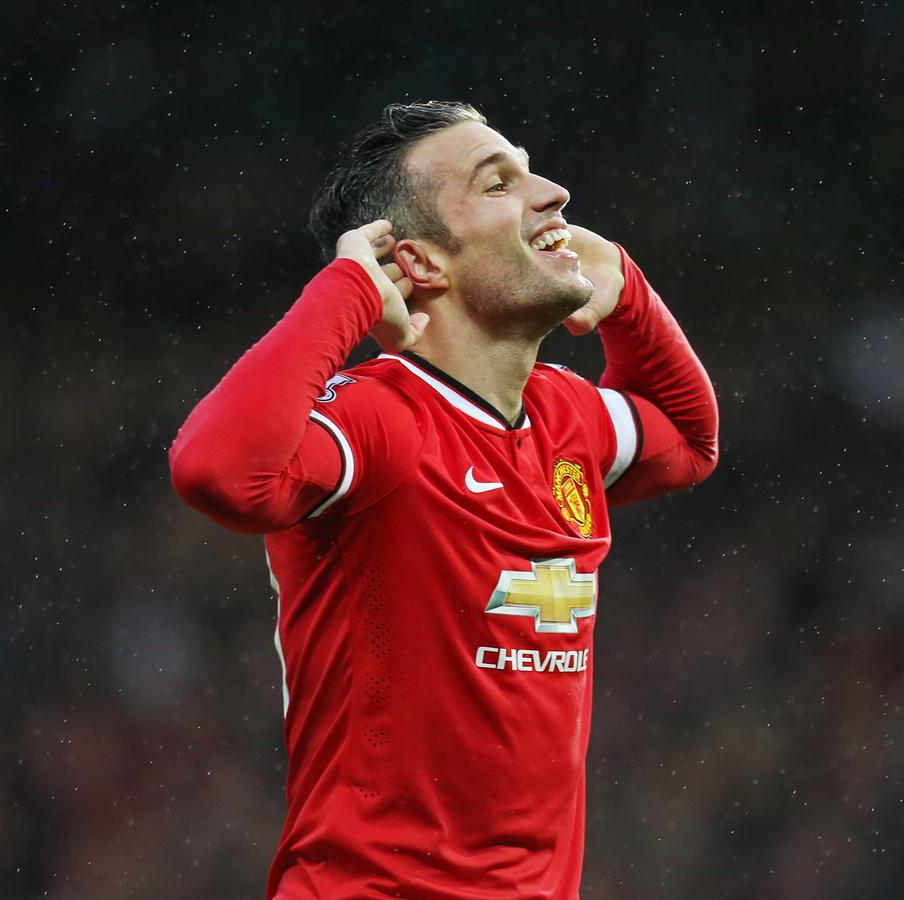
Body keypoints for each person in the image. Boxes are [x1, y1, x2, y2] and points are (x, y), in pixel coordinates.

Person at [168, 101, 719, 899]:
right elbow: (218, 473)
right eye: (499, 184)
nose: (554, 194)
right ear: (420, 263)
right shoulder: (381, 420)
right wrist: (348, 292)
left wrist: (627, 290)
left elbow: (690, 439)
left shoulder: (567, 417)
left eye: (531, 171)